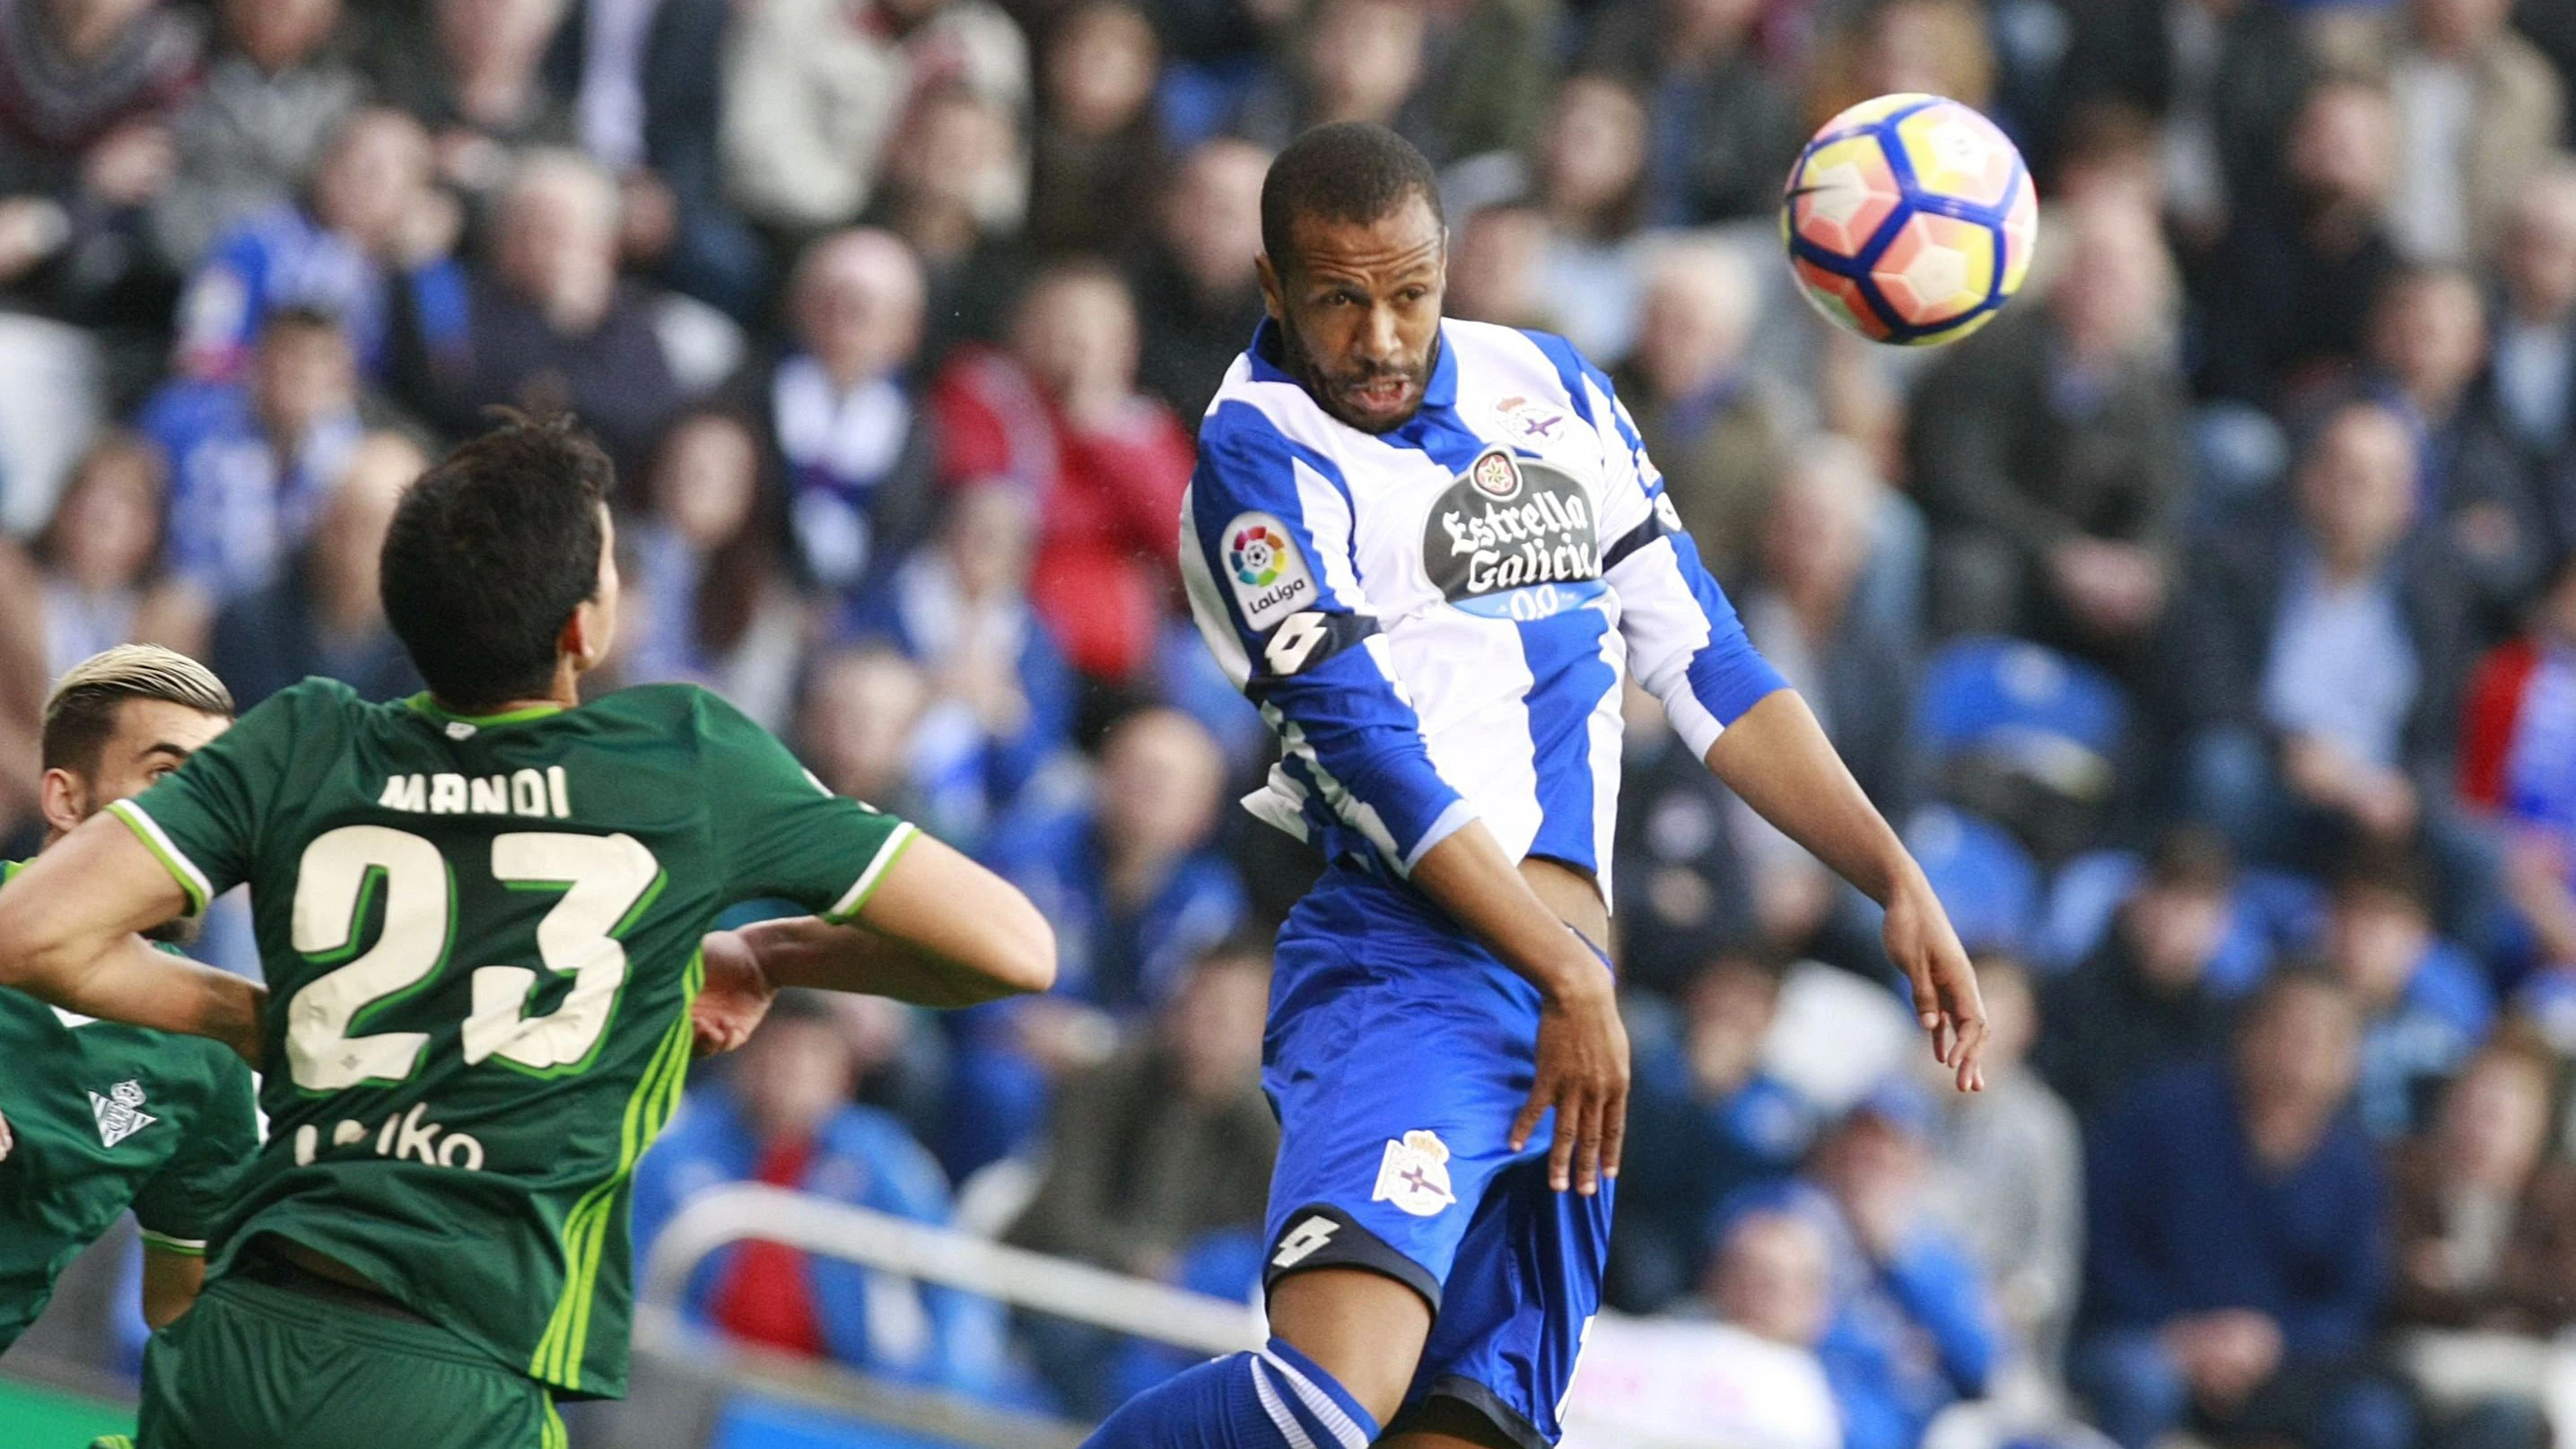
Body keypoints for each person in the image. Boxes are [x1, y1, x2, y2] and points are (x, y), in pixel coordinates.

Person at [1090, 121, 1986, 1449]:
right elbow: (1371, 760)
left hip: (1570, 1009)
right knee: (1323, 1404)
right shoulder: (1252, 463)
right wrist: (1566, 973)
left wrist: (1888, 873)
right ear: (1272, 288)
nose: (1381, 337)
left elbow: (1705, 662)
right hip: (1415, 967)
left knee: (1465, 1431)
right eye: (1338, 299)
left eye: (1408, 291)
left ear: (1448, 264)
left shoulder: (1551, 384)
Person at [0, 413, 1056, 1447]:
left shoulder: (302, 740)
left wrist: (260, 1020)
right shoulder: (685, 757)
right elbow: (1013, 948)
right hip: (460, 1372)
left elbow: (32, 933)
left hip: (244, 1341)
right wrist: (773, 950)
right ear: (583, 629)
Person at [0, 647, 254, 1354]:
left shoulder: (204, 1049)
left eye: (220, 789)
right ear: (65, 798)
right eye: (168, 777)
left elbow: (186, 1314)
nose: (206, 821)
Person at [2074, 969, 2413, 1449]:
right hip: (2152, 1339)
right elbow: (2101, 1245)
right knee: (2139, 1382)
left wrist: (2273, 1342)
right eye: (2291, 1031)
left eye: (2327, 1040)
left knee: (2372, 1420)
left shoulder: (2353, 1165)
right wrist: (2182, 1334)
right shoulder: (2161, 1113)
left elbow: (2352, 1304)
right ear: (2250, 1033)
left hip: (2282, 1368)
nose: (2303, 1053)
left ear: (2351, 1062)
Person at [630, 991, 1016, 1398]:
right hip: (693, 1386)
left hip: (836, 1393)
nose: (789, 1072)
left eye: (811, 1057)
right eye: (777, 1052)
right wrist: (702, 1363)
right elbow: (633, 1280)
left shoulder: (876, 1152)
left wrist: (936, 1383)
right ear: (743, 1059)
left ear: (843, 1075)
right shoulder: (678, 1145)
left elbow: (953, 1272)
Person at [1005, 940, 1279, 1415]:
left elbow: (1267, 1242)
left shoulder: (1267, 1126)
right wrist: (1140, 1263)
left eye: (1229, 1015)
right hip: (1080, 1284)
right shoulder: (1112, 1081)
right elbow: (1062, 1212)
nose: (1205, 1026)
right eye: (1199, 1004)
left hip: (1187, 1316)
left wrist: (1190, 1277)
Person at [1909, 196, 2185, 667]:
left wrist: (2139, 565)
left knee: (2170, 602)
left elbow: (2159, 499)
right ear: (2063, 269)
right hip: (2006, 546)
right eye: (2096, 264)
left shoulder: (2149, 388)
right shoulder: (1999, 348)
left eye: (2126, 270)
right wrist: (2058, 552)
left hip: (2088, 571)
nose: (2108, 284)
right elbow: (1958, 477)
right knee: (1974, 571)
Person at [205, 430, 425, 710]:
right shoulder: (250, 622)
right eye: (340, 520)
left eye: (372, 526)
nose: (350, 544)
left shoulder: (431, 642)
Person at [2032, 826, 2241, 1121]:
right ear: (2135, 900)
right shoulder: (2070, 998)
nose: (2173, 922)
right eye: (2165, 896)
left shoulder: (2224, 1029)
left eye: (2193, 906)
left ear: (2222, 924)